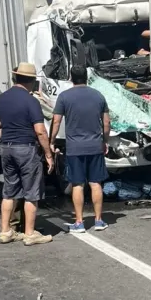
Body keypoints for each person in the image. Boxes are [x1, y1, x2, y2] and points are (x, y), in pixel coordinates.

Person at [0, 62, 54, 246]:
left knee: (9, 191)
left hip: (7, 148)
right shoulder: (31, 101)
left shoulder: (2, 98)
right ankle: (30, 234)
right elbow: (40, 131)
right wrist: (48, 154)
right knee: (31, 192)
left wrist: (7, 138)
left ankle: (5, 232)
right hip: (26, 149)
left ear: (16, 77)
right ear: (32, 81)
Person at [49, 64, 111, 233]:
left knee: (77, 184)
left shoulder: (64, 97)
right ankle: (98, 221)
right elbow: (106, 122)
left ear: (71, 78)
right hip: (95, 146)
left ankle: (79, 222)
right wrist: (104, 141)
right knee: (96, 183)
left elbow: (56, 121)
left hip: (75, 147)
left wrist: (52, 141)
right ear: (86, 77)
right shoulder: (98, 95)